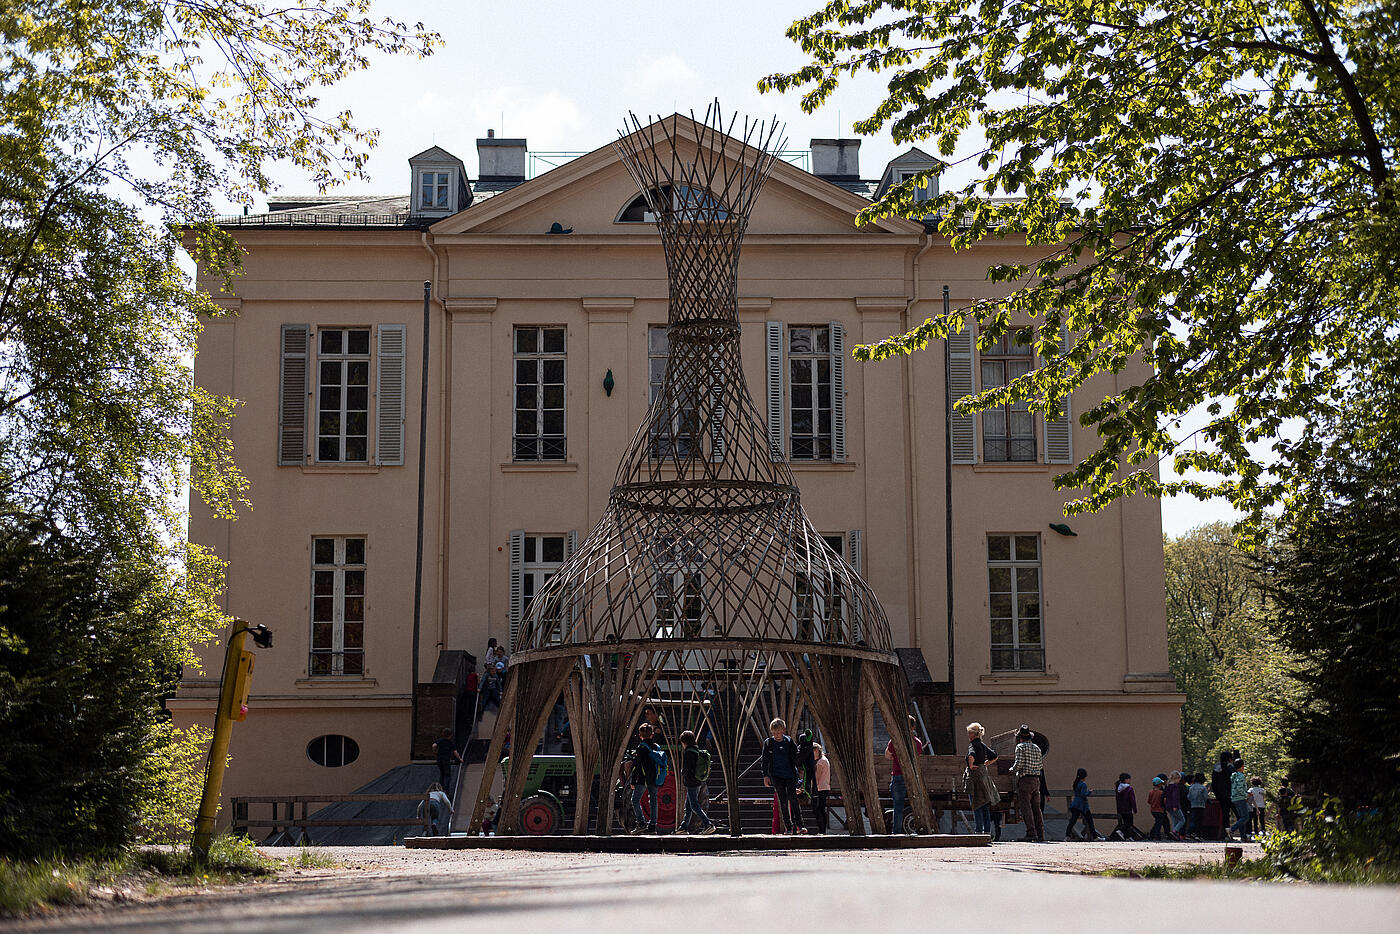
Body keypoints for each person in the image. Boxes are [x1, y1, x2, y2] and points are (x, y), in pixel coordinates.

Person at [761, 717, 805, 834]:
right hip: (777, 775)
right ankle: (788, 827)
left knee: (793, 799)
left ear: (783, 730)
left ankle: (800, 825)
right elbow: (764, 760)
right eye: (774, 733)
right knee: (783, 801)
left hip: (790, 774)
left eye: (778, 732)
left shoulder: (789, 741)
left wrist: (799, 779)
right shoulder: (769, 743)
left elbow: (796, 757)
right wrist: (765, 775)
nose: (776, 735)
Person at [884, 717, 926, 834]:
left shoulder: (894, 741)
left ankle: (896, 832)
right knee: (916, 805)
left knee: (898, 807)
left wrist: (895, 758)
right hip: (912, 778)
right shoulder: (917, 743)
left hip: (897, 775)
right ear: (913, 727)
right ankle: (919, 829)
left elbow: (887, 755)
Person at [677, 730, 717, 835]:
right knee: (688, 806)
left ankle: (708, 824)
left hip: (691, 782)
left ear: (684, 742)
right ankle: (683, 827)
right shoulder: (696, 750)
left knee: (694, 806)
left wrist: (682, 772)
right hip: (697, 781)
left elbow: (687, 769)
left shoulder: (688, 752)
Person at [1010, 725, 1046, 842]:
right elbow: (1040, 766)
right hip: (1036, 780)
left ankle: (1031, 833)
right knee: (1036, 808)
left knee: (1026, 808)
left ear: (1020, 738)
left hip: (1025, 780)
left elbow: (1019, 764)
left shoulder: (1020, 747)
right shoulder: (1037, 748)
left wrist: (1012, 770)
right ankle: (1040, 833)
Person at [965, 722, 999, 836]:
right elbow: (994, 755)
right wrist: (986, 764)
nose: (968, 735)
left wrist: (971, 765)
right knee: (984, 804)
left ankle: (979, 831)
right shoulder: (982, 745)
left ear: (972, 734)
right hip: (984, 777)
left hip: (975, 778)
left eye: (969, 732)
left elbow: (971, 755)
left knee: (976, 804)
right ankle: (987, 831)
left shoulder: (973, 744)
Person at [628, 723, 661, 833]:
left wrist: (633, 781)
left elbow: (637, 766)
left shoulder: (641, 748)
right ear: (652, 735)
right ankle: (652, 825)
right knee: (653, 801)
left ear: (640, 735)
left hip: (643, 779)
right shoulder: (656, 747)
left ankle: (641, 822)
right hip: (654, 778)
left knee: (635, 800)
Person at [1065, 768, 1101, 840]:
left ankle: (1067, 836)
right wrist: (1089, 792)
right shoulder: (1083, 784)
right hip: (1083, 805)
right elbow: (1083, 794)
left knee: (1072, 821)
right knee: (1090, 821)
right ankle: (1095, 837)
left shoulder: (1076, 783)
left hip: (1075, 804)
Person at [1228, 758, 1253, 842]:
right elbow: (1239, 788)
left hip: (1234, 798)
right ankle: (1231, 829)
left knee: (1241, 818)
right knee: (1245, 817)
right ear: (1242, 766)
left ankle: (1243, 836)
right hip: (1240, 798)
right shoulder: (1241, 776)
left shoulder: (1233, 775)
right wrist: (1246, 795)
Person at [811, 742, 832, 834]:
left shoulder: (820, 762)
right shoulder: (824, 760)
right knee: (821, 809)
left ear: (816, 751)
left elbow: (817, 777)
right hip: (824, 787)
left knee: (818, 810)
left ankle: (822, 830)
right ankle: (822, 830)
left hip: (820, 788)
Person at [1114, 773, 1138, 840]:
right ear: (1126, 780)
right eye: (1129, 779)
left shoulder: (1118, 788)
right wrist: (1134, 809)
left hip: (1121, 809)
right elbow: (1132, 799)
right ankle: (1121, 831)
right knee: (1129, 823)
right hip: (1128, 808)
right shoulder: (1129, 789)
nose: (1130, 780)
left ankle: (1127, 837)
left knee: (1125, 822)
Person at [1167, 770, 1188, 839]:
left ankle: (1173, 834)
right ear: (1176, 778)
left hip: (1168, 806)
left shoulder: (1168, 786)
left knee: (1174, 820)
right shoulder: (1175, 787)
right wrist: (1175, 805)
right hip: (1175, 806)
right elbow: (1175, 797)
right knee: (1182, 820)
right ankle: (1174, 831)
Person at [1187, 772, 1209, 837]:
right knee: (1199, 821)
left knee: (1193, 819)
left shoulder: (1191, 787)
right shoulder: (1203, 788)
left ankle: (1189, 832)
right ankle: (1197, 834)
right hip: (1201, 806)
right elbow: (1205, 797)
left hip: (1193, 805)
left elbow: (1188, 797)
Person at [1147, 776, 1169, 840]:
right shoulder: (1161, 793)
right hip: (1160, 810)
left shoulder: (1151, 792)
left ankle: (1152, 835)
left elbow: (1149, 801)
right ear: (1159, 784)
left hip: (1153, 810)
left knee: (1157, 822)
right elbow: (1164, 801)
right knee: (1158, 823)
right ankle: (1156, 836)